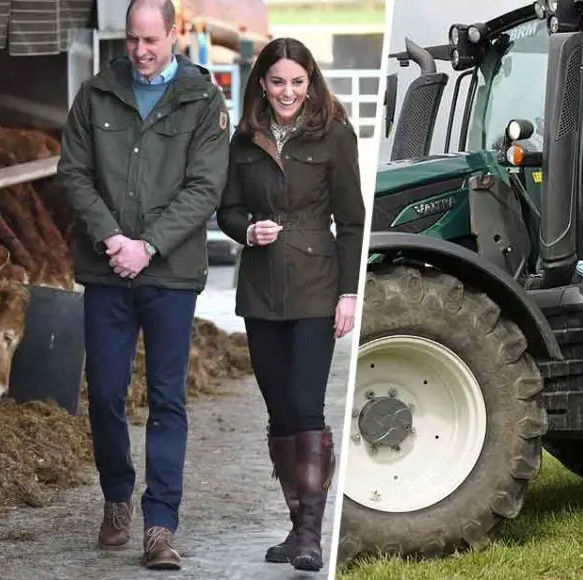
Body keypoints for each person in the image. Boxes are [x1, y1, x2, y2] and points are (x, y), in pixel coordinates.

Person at [55, 0, 230, 571]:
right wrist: (113, 239)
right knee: (104, 393)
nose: (141, 51)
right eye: (133, 39)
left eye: (151, 40)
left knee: (166, 398)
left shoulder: (202, 100)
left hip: (171, 275)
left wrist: (148, 245)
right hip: (107, 269)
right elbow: (73, 174)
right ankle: (117, 496)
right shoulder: (96, 93)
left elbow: (205, 188)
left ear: (174, 36)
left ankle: (160, 525)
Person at [216, 37, 365, 572]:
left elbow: (352, 221)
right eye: (278, 82)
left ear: (310, 82)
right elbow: (226, 209)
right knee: (279, 412)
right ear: (263, 82)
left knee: (305, 406)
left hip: (315, 285)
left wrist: (349, 293)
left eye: (297, 82)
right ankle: (296, 526)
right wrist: (245, 228)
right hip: (260, 290)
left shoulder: (334, 135)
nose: (288, 92)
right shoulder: (244, 139)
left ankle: (310, 535)